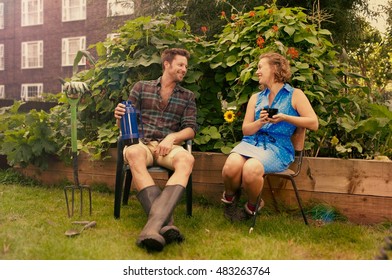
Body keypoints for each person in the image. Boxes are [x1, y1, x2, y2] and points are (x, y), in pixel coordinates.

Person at [114, 48, 197, 252]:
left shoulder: (187, 96)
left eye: (185, 66)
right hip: (142, 144)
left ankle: (151, 228)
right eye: (180, 65)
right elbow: (126, 121)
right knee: (133, 153)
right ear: (167, 64)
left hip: (169, 147)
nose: (184, 69)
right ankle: (166, 223)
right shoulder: (142, 88)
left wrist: (172, 137)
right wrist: (119, 116)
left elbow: (191, 129)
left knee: (187, 160)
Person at [221, 52, 318, 222]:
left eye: (260, 67)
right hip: (252, 142)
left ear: (274, 68)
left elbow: (313, 123)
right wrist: (260, 122)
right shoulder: (256, 98)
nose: (257, 72)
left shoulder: (295, 95)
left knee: (251, 169)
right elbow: (246, 130)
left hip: (277, 148)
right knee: (231, 166)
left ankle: (252, 206)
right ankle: (230, 200)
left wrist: (285, 117)